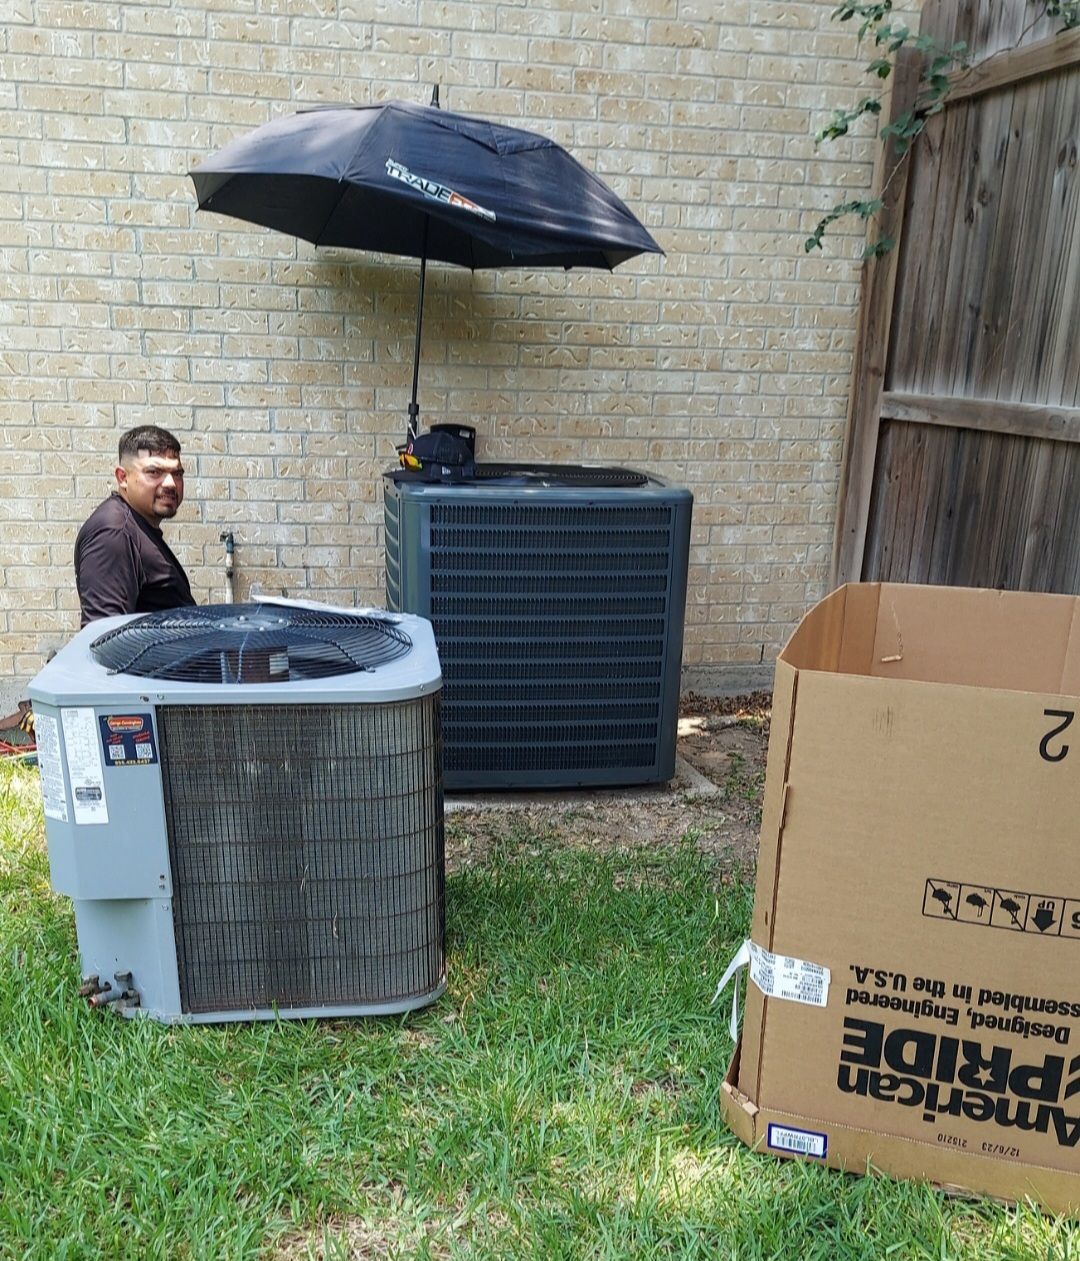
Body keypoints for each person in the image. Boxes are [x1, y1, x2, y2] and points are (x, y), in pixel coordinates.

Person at [75, 425, 196, 627]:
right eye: (154, 472)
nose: (171, 483)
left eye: (177, 473)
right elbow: (105, 636)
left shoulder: (135, 527)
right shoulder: (114, 533)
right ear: (123, 478)